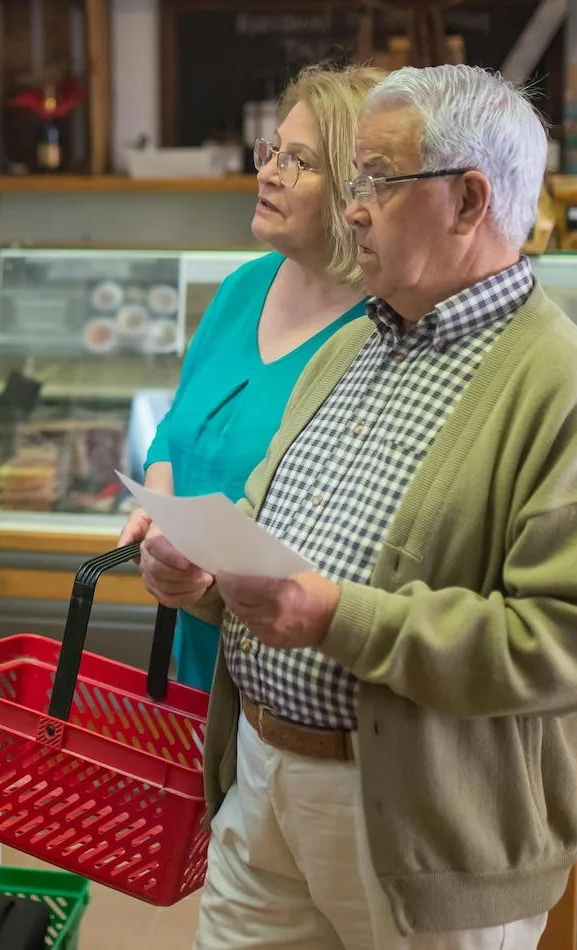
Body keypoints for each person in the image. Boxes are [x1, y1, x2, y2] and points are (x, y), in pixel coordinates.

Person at [139, 65, 577, 948]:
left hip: (421, 832)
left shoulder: (564, 386)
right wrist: (201, 572)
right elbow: (265, 531)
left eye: (378, 180)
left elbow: (572, 646)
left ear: (468, 200)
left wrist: (339, 617)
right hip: (261, 784)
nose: (353, 207)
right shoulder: (352, 350)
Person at [118, 64, 383, 690]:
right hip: (198, 659)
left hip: (299, 676)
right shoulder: (244, 287)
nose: (266, 173)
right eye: (272, 152)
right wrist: (161, 524)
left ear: (359, 189)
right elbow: (176, 430)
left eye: (300, 162)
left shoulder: (383, 327)